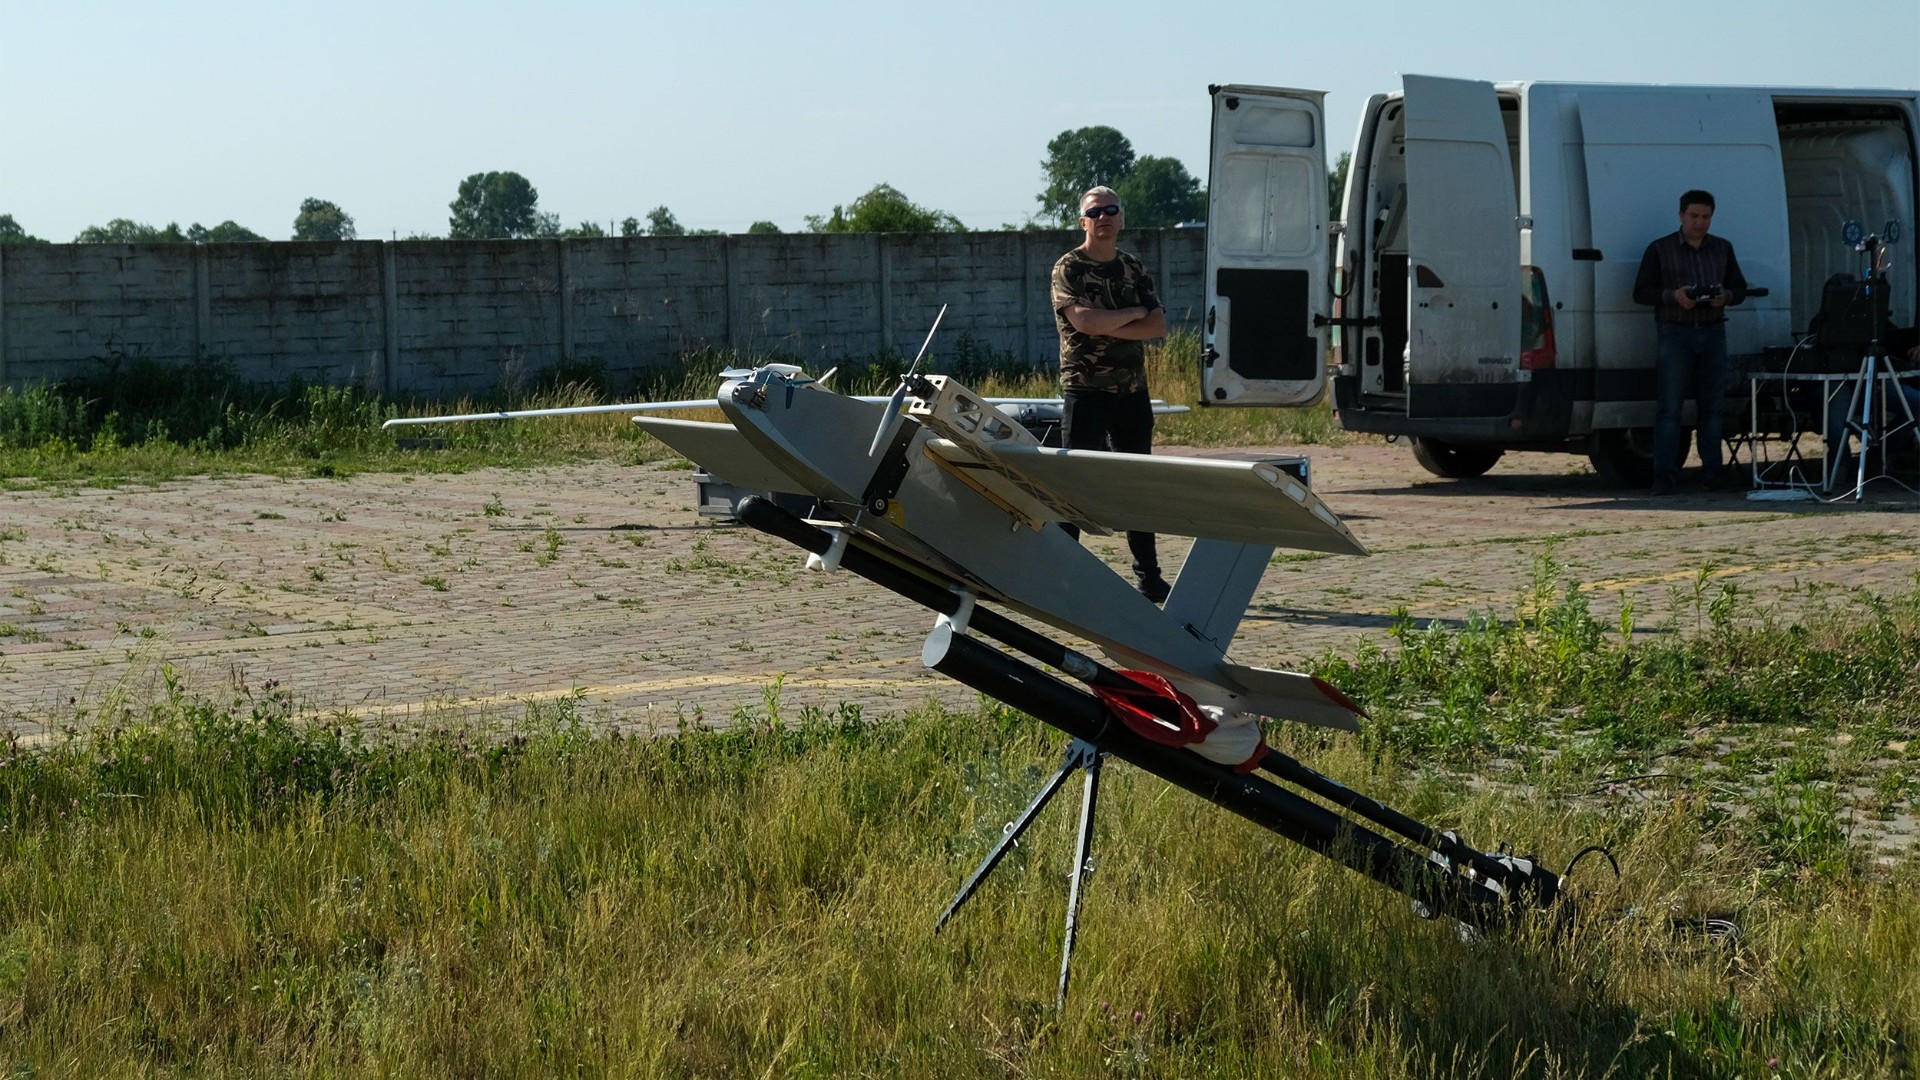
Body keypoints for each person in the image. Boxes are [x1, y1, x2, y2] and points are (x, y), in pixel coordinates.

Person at [1051, 186, 1171, 602]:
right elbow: (1084, 322)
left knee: (1137, 483)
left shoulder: (1133, 267)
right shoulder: (1068, 267)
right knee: (1075, 483)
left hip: (1131, 391)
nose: (1103, 217)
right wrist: (1132, 313)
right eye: (1095, 212)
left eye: (1111, 210)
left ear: (1121, 218)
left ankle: (1149, 577)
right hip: (1086, 390)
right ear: (1083, 222)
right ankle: (1059, 578)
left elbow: (1157, 326)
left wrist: (1111, 320)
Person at [1633, 189, 1750, 495]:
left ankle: (1713, 473)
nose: (1699, 223)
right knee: (1669, 409)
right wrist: (1673, 296)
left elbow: (1740, 288)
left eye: (1706, 217)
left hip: (1713, 331)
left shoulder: (1722, 248)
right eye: (1694, 216)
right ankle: (1664, 476)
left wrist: (1725, 296)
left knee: (1711, 409)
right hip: (1675, 332)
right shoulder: (1660, 249)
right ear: (1681, 215)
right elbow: (1640, 292)